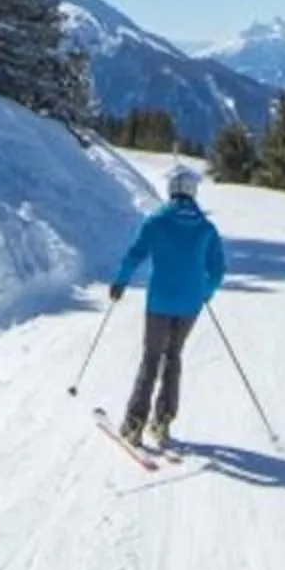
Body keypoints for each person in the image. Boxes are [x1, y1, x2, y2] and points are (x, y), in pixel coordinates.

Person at [109, 164, 228, 447]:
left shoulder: (156, 222)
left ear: (171, 190)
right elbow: (218, 269)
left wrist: (120, 282)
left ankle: (134, 423)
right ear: (192, 192)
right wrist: (204, 293)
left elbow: (134, 255)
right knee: (173, 356)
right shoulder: (206, 228)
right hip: (190, 305)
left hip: (160, 301)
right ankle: (163, 421)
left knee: (151, 358)